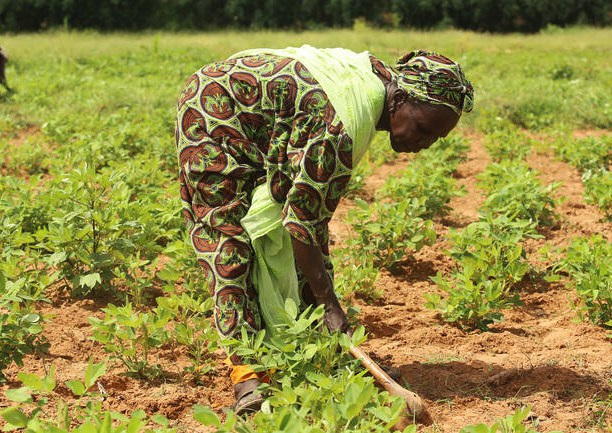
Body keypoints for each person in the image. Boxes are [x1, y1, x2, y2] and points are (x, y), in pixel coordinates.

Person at [175, 45, 473, 414]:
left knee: (308, 248)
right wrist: (331, 306)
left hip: (256, 117)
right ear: (400, 97)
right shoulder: (343, 123)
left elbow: (310, 223)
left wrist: (328, 300)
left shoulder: (373, 87)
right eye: (424, 127)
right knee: (230, 242)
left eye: (435, 139)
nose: (424, 143)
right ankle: (248, 379)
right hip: (215, 112)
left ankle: (316, 352)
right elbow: (301, 223)